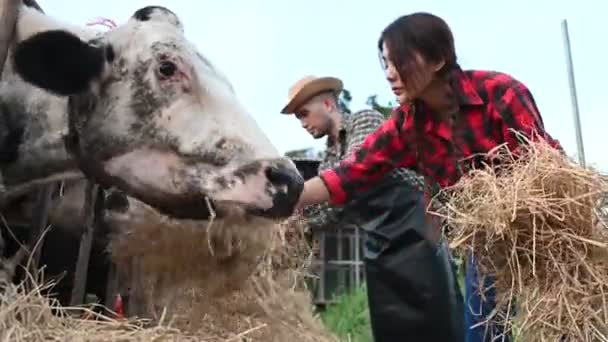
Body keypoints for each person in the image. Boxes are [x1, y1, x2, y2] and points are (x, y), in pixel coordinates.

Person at [294, 12, 562, 342]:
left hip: (547, 234)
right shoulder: (406, 124)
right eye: (386, 65)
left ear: (436, 59)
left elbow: (545, 170)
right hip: (487, 243)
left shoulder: (501, 92)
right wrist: (284, 197)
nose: (390, 75)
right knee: (482, 334)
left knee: (562, 324)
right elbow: (350, 174)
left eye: (398, 62)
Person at [281, 75, 465, 341]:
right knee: (393, 330)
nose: (303, 124)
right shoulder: (326, 161)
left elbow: (355, 170)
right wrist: (289, 220)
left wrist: (300, 196)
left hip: (417, 235)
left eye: (304, 114)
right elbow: (327, 214)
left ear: (328, 104)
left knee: (438, 325)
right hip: (380, 248)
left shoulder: (364, 120)